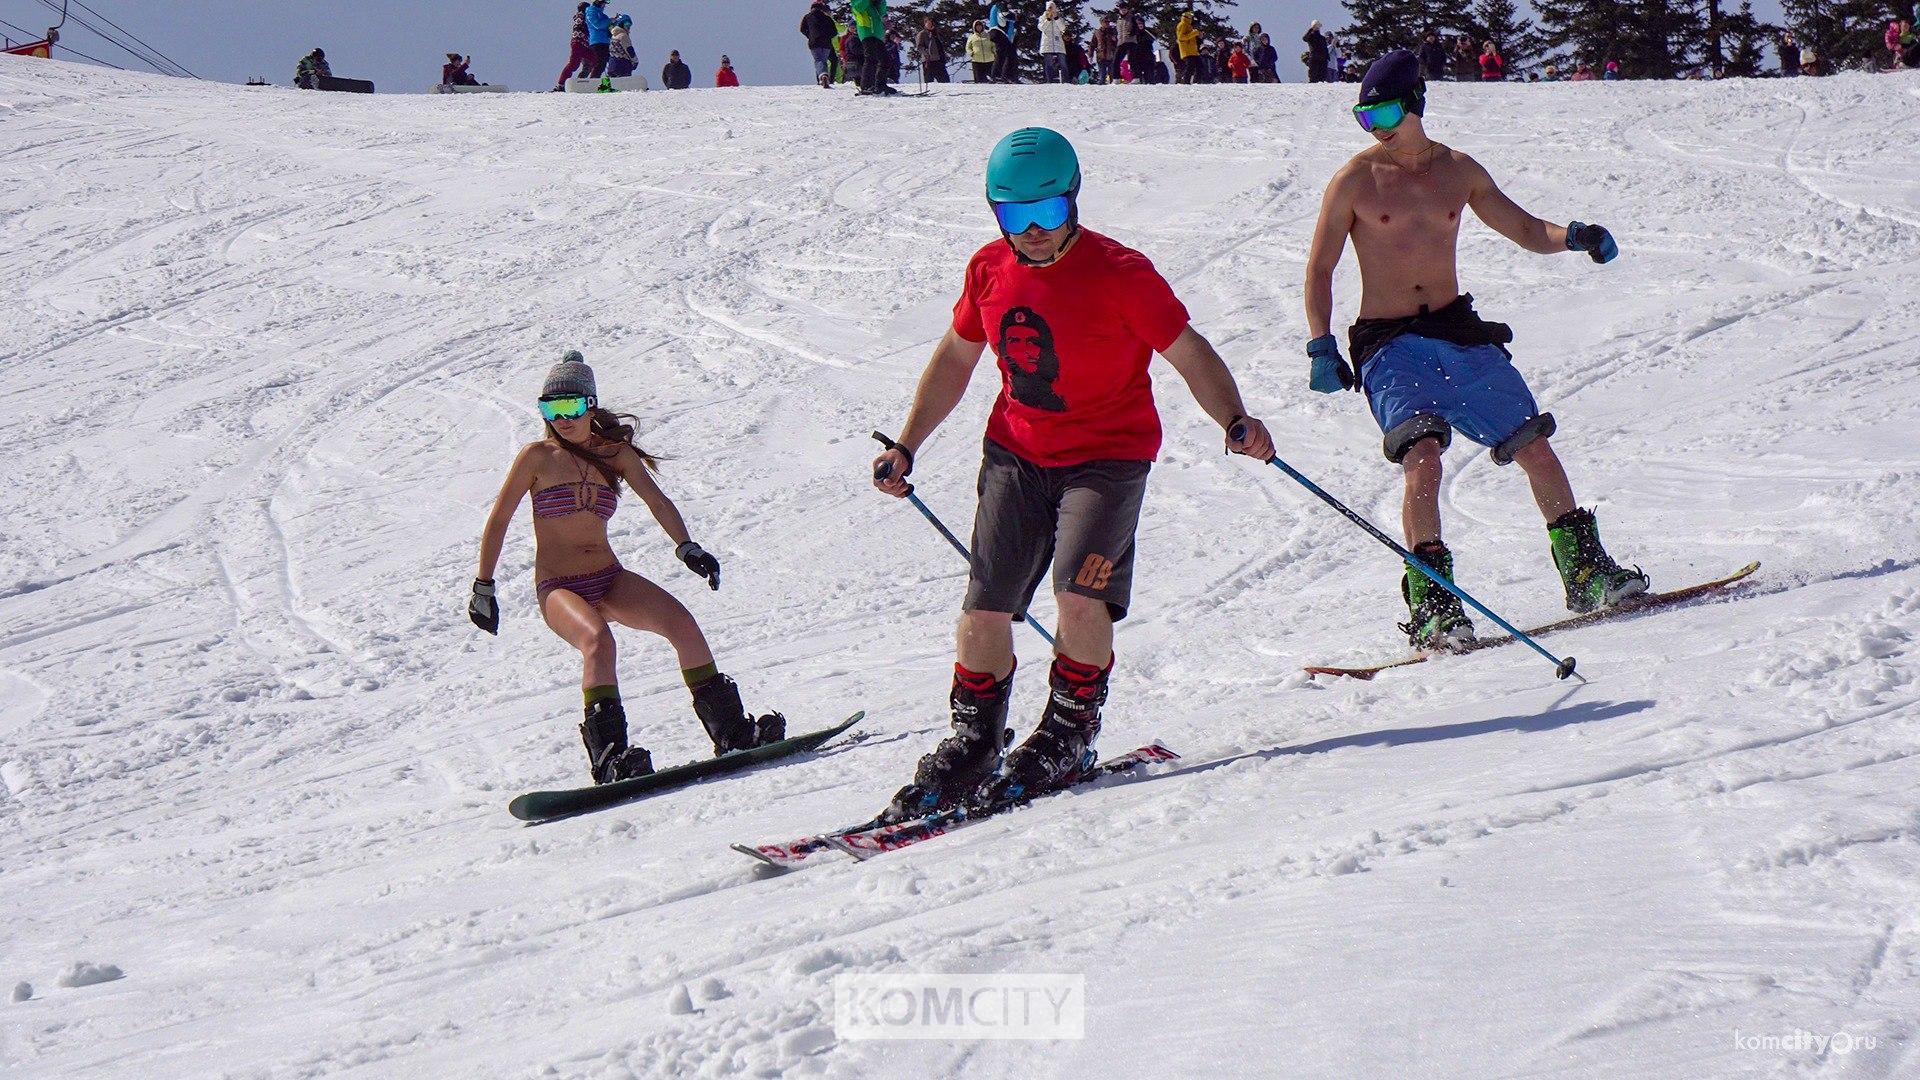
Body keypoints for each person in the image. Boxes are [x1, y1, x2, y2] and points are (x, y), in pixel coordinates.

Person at [870, 128, 1274, 822]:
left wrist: (1235, 419)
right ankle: (975, 741)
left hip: (1108, 459)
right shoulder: (989, 269)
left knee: (1077, 599)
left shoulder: (1122, 273)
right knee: (983, 613)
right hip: (1016, 454)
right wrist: (906, 444)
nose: (1030, 232)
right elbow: (955, 360)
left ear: (1074, 203)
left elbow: (1189, 351)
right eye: (1012, 216)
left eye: (1048, 214)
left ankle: (1068, 732)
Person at [1301, 50, 1646, 651]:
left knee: (1532, 444)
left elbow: (1525, 229)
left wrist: (1576, 238)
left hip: (1459, 333)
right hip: (1388, 345)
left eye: (1382, 109)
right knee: (1424, 455)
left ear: (1415, 102)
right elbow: (1321, 267)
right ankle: (1434, 605)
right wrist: (1320, 343)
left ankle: (1586, 572)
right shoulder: (1355, 180)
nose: (1375, 124)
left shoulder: (1459, 172)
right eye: (1364, 115)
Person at [471, 353, 785, 785]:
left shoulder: (615, 455)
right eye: (551, 409)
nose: (562, 419)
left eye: (572, 407)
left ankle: (733, 734)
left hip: (609, 578)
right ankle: (610, 760)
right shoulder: (536, 457)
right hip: (559, 587)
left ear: (591, 406)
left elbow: (658, 501)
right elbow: (499, 519)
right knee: (598, 640)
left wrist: (686, 547)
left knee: (682, 623)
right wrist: (483, 586)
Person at [850, 0, 891, 95]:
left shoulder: (873, 5)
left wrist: (881, 2)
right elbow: (858, 8)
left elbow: (882, 12)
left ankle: (880, 85)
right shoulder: (856, 1)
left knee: (885, 60)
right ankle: (866, 86)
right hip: (866, 32)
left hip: (877, 34)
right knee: (870, 59)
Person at [555, 4, 591, 91]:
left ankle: (580, 81)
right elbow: (585, 25)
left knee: (592, 61)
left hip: (583, 44)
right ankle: (561, 84)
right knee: (574, 64)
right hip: (578, 44)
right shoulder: (581, 16)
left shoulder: (583, 17)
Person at [801, 0, 837, 88]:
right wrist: (828, 37)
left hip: (814, 43)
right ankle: (823, 79)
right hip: (826, 43)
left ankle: (823, 77)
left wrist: (809, 35)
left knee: (818, 60)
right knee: (822, 60)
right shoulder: (827, 18)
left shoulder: (807, 17)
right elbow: (834, 32)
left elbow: (802, 29)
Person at [583, 0, 613, 78]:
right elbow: (597, 24)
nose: (604, 6)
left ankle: (603, 80)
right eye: (603, 4)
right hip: (597, 42)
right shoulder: (591, 12)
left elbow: (608, 28)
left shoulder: (604, 16)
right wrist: (610, 21)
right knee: (600, 62)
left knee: (605, 63)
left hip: (605, 42)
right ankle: (593, 80)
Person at [1040, 2, 1068, 83]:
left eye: (1052, 7)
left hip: (1058, 43)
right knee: (1049, 64)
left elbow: (1063, 28)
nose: (1051, 9)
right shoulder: (1042, 18)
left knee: (1063, 63)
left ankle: (1065, 81)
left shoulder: (1059, 17)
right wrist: (1048, 19)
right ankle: (1049, 81)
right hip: (1047, 43)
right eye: (1049, 8)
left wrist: (1056, 19)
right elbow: (1041, 28)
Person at [989, 3, 1018, 82]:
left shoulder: (998, 5)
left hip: (999, 32)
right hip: (997, 31)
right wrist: (1013, 15)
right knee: (1001, 53)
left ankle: (1006, 75)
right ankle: (996, 75)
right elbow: (1004, 15)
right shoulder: (1001, 4)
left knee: (1010, 53)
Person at [917, 16, 951, 83]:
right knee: (929, 81)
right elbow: (919, 47)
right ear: (925, 24)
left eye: (932, 23)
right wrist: (927, 53)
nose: (931, 25)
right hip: (928, 60)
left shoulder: (936, 33)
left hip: (939, 59)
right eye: (929, 23)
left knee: (945, 80)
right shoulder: (922, 34)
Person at [1175, 12, 1201, 83]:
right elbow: (1181, 37)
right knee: (1190, 67)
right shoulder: (1182, 24)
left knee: (1199, 66)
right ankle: (1185, 82)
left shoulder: (1188, 25)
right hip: (1187, 51)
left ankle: (1196, 82)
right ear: (1187, 17)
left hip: (1193, 51)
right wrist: (1194, 33)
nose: (1192, 18)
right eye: (1191, 16)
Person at [1092, 14, 1118, 82]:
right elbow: (1093, 44)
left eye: (1108, 22)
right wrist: (1090, 55)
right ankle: (1101, 91)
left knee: (1113, 77)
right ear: (1101, 22)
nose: (1107, 23)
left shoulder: (1113, 31)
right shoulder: (1097, 32)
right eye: (1105, 22)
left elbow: (1118, 43)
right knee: (1101, 76)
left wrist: (1115, 40)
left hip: (1111, 56)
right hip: (1101, 57)